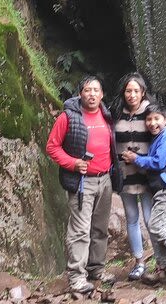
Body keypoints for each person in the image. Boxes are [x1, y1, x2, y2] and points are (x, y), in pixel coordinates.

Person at [46, 75, 123, 294]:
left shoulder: (106, 114)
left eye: (96, 90)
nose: (92, 94)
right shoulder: (68, 117)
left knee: (100, 228)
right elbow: (52, 147)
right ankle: (76, 276)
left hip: (105, 179)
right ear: (80, 93)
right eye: (87, 90)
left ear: (102, 94)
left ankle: (96, 269)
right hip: (82, 182)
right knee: (80, 230)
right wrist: (73, 163)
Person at [110, 73, 166, 280]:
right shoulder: (115, 112)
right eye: (128, 90)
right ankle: (139, 262)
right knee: (132, 219)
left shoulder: (150, 112)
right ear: (123, 92)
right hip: (125, 176)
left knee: (151, 219)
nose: (132, 95)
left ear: (143, 92)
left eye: (136, 90)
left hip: (148, 176)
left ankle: (162, 263)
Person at [122, 103, 166, 284]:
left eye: (157, 119)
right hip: (165, 187)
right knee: (158, 228)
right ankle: (162, 268)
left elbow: (159, 162)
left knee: (156, 226)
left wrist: (135, 158)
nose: (152, 123)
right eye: (149, 119)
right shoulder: (162, 135)